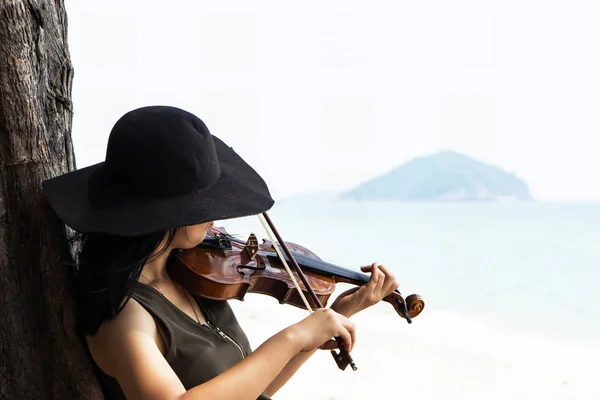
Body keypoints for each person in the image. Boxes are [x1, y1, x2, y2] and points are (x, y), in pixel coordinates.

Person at [42, 106, 400, 400]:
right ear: (163, 214)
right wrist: (294, 336)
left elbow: (250, 389)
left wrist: (330, 319)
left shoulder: (190, 277)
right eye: (203, 202)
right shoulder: (125, 318)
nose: (217, 216)